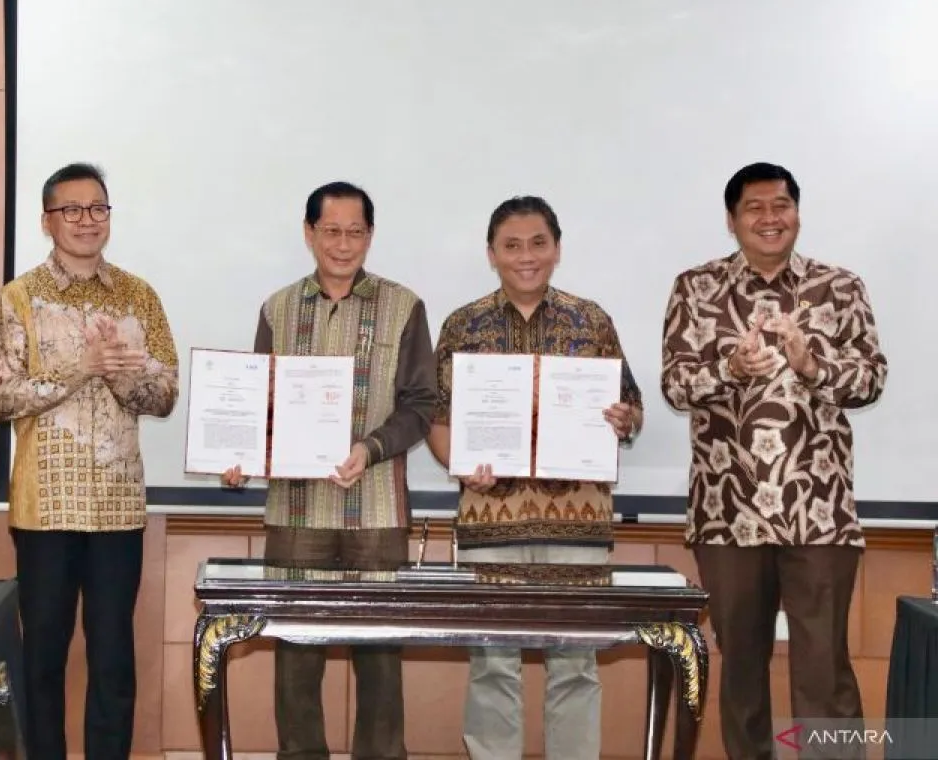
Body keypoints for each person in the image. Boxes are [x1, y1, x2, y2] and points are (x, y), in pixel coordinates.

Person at [661, 162, 887, 759]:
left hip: (820, 512)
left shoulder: (839, 287)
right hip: (727, 512)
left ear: (797, 213)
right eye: (754, 207)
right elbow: (676, 385)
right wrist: (730, 368)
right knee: (741, 670)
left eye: (781, 205)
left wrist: (813, 365)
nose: (770, 218)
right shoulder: (696, 287)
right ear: (732, 219)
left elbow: (870, 379)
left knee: (824, 671)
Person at [221, 181, 437, 760]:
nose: (344, 244)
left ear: (371, 235)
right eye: (332, 231)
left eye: (356, 232)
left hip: (377, 513)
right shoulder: (277, 308)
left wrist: (371, 447)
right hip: (297, 511)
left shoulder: (404, 306)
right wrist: (239, 453)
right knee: (296, 655)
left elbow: (421, 404)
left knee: (380, 657)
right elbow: (258, 404)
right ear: (309, 233)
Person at [426, 195, 642, 760]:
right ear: (492, 254)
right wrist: (460, 465)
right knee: (492, 662)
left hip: (578, 524)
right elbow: (438, 422)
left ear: (557, 249)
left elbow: (631, 408)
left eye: (538, 243)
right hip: (489, 521)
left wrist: (624, 419)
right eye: (512, 245)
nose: (526, 256)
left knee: (576, 661)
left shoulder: (592, 320)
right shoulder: (462, 325)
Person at [0, 162, 179, 760]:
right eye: (71, 209)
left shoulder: (139, 296)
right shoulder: (18, 298)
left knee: (113, 658)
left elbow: (165, 395)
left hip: (117, 507)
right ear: (47, 221)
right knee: (42, 657)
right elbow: (1, 397)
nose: (86, 220)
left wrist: (121, 375)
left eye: (98, 208)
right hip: (45, 507)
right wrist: (82, 368)